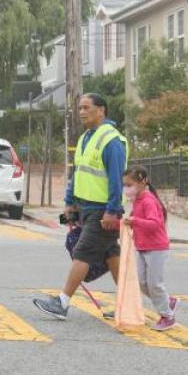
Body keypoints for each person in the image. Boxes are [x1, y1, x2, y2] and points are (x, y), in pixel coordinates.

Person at [33, 93, 127, 320]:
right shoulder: (86, 138)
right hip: (86, 208)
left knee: (82, 253)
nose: (81, 112)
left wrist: (112, 211)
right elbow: (77, 175)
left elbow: (116, 180)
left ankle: (62, 303)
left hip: (102, 211)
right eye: (80, 108)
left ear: (101, 110)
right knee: (112, 256)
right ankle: (130, 304)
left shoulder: (111, 141)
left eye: (86, 107)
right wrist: (69, 203)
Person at [122, 165, 176, 331]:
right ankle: (168, 302)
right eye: (125, 185)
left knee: (154, 284)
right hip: (142, 247)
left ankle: (167, 316)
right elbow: (136, 219)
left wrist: (134, 222)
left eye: (129, 185)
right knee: (142, 282)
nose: (126, 189)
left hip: (157, 248)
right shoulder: (136, 200)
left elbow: (154, 224)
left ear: (143, 182)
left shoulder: (148, 200)